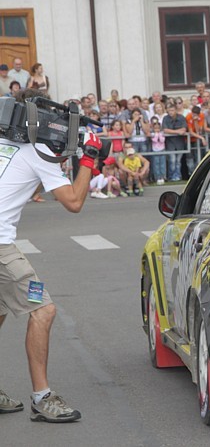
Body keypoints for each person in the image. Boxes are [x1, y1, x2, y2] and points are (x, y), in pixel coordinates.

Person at [0, 96, 103, 421]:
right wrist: (89, 158)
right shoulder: (39, 155)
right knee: (43, 309)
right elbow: (73, 202)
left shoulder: (6, 144)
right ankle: (42, 398)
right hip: (2, 250)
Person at [162, 104, 188, 181]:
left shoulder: (181, 117)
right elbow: (165, 130)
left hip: (180, 142)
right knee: (172, 160)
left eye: (172, 110)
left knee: (178, 161)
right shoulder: (165, 118)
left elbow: (184, 129)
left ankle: (178, 176)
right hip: (170, 143)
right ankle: (171, 176)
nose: (171, 112)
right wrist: (177, 131)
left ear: (176, 110)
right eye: (169, 110)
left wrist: (177, 132)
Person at [150, 120, 167, 185]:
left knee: (162, 164)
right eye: (155, 128)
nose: (157, 129)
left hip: (162, 149)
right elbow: (154, 140)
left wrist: (159, 134)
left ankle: (163, 177)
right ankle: (157, 177)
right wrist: (156, 134)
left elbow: (162, 140)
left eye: (158, 128)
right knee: (156, 164)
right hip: (155, 150)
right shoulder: (152, 134)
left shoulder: (162, 133)